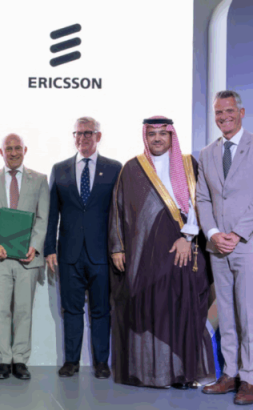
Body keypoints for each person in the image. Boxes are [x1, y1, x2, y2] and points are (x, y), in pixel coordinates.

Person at [109, 116, 215, 388]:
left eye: (162, 133)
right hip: (145, 255)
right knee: (151, 309)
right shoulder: (132, 168)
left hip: (183, 250)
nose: (157, 138)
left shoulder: (189, 164)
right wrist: (118, 247)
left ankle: (181, 374)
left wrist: (188, 237)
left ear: (171, 136)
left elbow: (200, 203)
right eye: (152, 133)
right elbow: (118, 210)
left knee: (180, 309)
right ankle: (151, 373)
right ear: (145, 136)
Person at [44, 117, 121, 379]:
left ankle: (101, 363)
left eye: (88, 133)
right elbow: (52, 213)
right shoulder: (60, 169)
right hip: (69, 254)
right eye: (78, 133)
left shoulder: (114, 168)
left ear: (98, 136)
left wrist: (119, 247)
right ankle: (71, 362)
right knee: (71, 310)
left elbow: (119, 213)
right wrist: (49, 249)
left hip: (102, 254)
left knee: (101, 311)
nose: (83, 138)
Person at [197, 91, 253, 405]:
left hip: (247, 244)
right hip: (217, 246)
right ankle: (229, 374)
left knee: (249, 315)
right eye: (219, 112)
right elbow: (203, 199)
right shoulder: (207, 153)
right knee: (227, 315)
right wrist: (214, 233)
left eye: (229, 111)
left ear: (241, 112)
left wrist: (238, 233)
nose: (224, 117)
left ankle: (250, 378)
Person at [0, 133, 49, 380]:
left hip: (27, 258)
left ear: (25, 150)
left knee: (23, 311)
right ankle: (2, 360)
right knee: (0, 310)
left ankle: (19, 360)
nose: (13, 153)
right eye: (8, 149)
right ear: (1, 152)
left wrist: (35, 246)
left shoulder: (40, 180)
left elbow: (42, 217)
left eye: (17, 148)